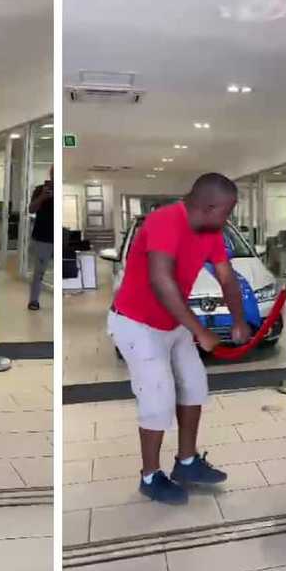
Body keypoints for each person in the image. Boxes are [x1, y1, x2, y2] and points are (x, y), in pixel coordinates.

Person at [108, 173, 251, 505]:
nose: (227, 219)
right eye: (226, 212)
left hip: (173, 323)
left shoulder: (210, 231)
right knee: (157, 400)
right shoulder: (164, 221)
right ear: (208, 205)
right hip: (137, 325)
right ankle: (150, 476)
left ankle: (186, 463)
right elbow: (161, 281)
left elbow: (227, 278)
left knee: (194, 386)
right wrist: (200, 331)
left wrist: (239, 320)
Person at [27, 166, 54, 310]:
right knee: (39, 271)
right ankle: (34, 301)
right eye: (53, 172)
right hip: (43, 237)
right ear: (50, 173)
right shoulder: (40, 189)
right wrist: (43, 197)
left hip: (59, 237)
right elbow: (31, 209)